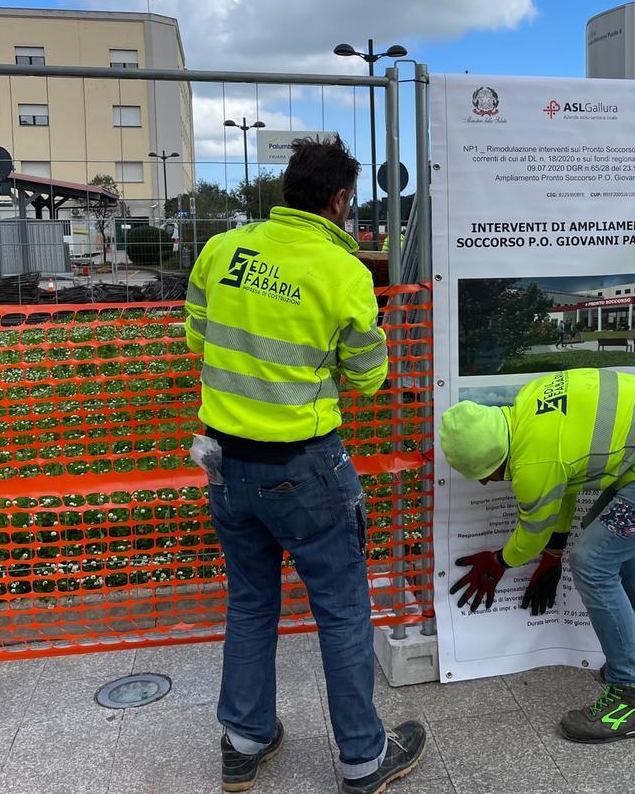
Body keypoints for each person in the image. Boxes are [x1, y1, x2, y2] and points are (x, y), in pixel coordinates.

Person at [186, 136, 426, 793]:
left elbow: (196, 334)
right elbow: (369, 376)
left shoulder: (222, 249)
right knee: (344, 611)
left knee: (251, 601)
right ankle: (361, 759)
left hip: (227, 463)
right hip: (307, 469)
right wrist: (369, 336)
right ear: (340, 199)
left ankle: (245, 740)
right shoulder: (341, 270)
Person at [438, 368, 635, 743]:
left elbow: (532, 531)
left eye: (484, 474)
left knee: (594, 560)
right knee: (606, 542)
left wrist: (499, 562)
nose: (483, 482)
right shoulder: (529, 404)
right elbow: (565, 481)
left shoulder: (533, 463)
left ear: (496, 456)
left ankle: (633, 696)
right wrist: (554, 552)